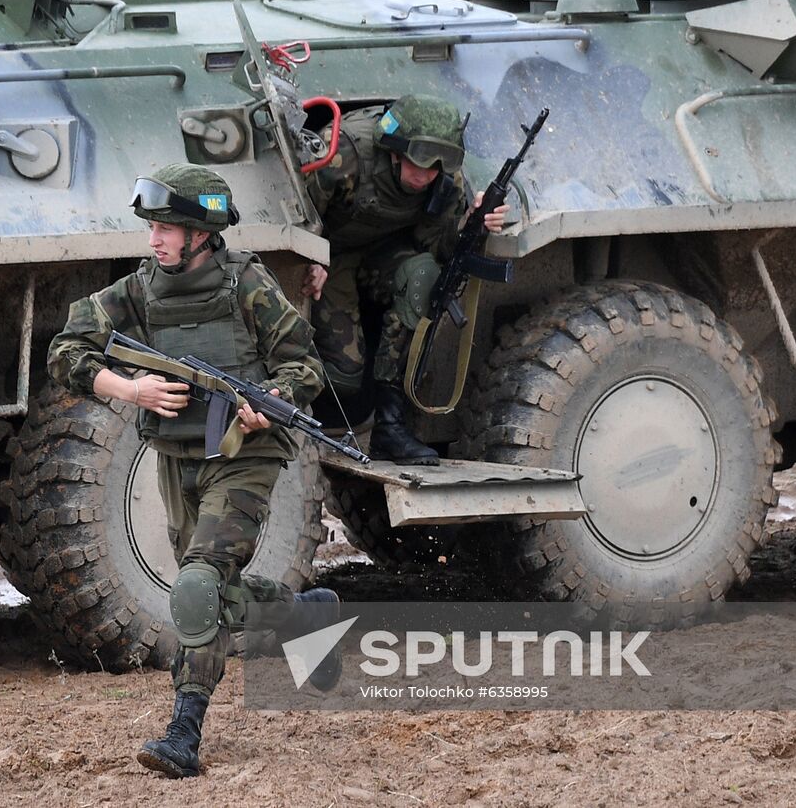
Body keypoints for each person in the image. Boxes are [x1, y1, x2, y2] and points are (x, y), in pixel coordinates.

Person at [47, 163, 340, 778]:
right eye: (151, 227)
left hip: (245, 455)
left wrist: (270, 401)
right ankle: (303, 615)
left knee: (197, 585)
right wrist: (130, 390)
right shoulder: (139, 289)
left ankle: (184, 732)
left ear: (200, 233)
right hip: (178, 459)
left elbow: (305, 366)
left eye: (166, 228)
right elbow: (65, 349)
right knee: (203, 593)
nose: (154, 239)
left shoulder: (246, 283)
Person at [304, 94, 509, 465]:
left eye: (437, 166)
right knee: (344, 379)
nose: (426, 175)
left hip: (384, 255)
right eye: (420, 161)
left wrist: (471, 225)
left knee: (423, 277)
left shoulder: (444, 178)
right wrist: (309, 256)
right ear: (394, 150)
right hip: (330, 255)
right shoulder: (344, 154)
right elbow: (297, 213)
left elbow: (440, 247)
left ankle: (390, 426)